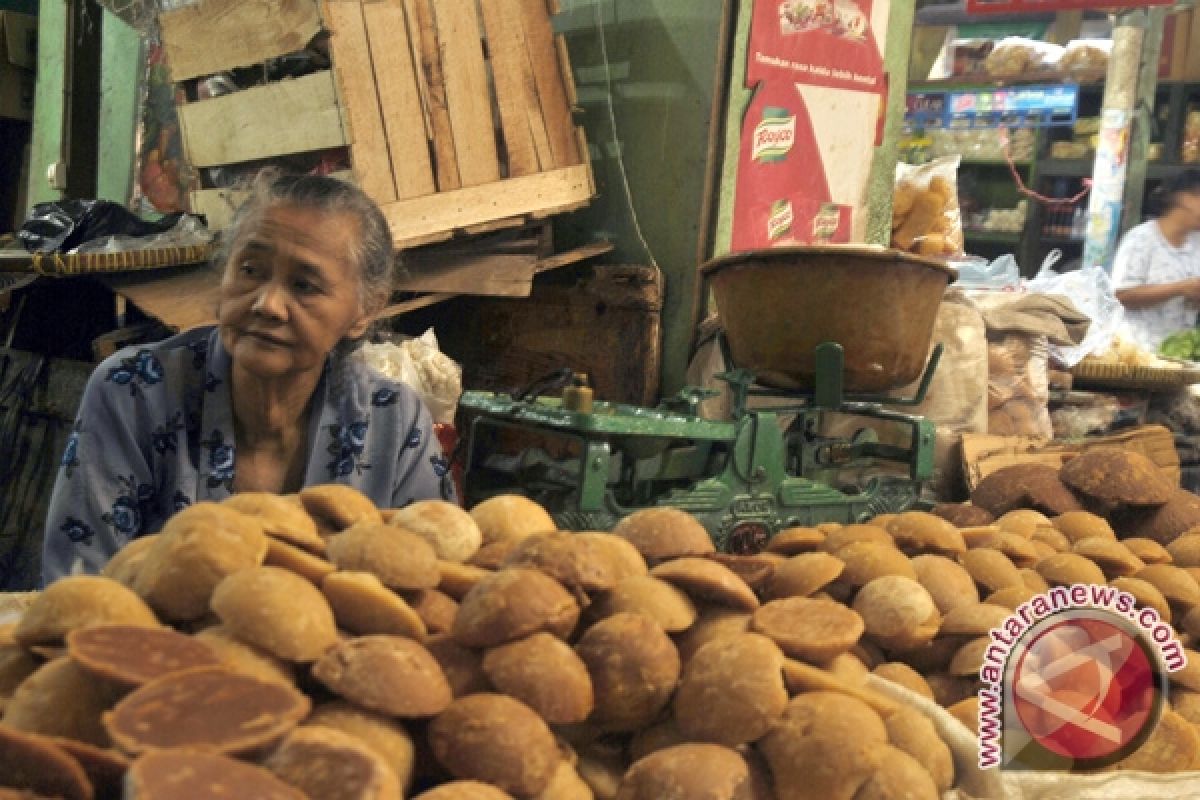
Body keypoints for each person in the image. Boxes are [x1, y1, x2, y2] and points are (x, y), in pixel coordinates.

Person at [42, 171, 455, 583]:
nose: (268, 303)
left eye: (305, 285)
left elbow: (428, 582)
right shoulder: (133, 390)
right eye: (251, 270)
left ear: (364, 310)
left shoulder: (394, 420)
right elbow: (80, 584)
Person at [1112, 169, 1200, 352]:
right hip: (1136, 352)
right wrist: (1180, 288)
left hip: (1178, 352)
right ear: (1185, 199)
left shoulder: (1197, 242)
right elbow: (1121, 295)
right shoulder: (1141, 239)